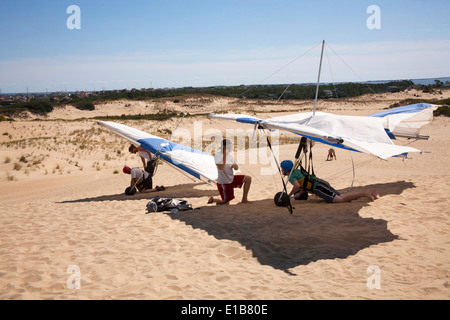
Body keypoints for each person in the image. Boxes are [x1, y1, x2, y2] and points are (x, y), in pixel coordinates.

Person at [280, 160, 379, 203]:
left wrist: (288, 195)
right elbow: (304, 184)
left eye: (282, 169)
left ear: (285, 169)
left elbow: (296, 186)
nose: (281, 170)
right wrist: (300, 193)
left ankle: (365, 193)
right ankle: (370, 192)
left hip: (318, 188)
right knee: (342, 197)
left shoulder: (291, 176)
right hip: (321, 182)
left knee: (341, 199)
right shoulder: (297, 171)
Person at [208, 139, 252, 205]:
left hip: (231, 178)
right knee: (226, 203)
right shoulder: (218, 155)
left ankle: (244, 199)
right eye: (229, 147)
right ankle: (215, 200)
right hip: (224, 182)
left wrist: (235, 166)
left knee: (248, 178)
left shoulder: (230, 156)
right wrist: (224, 155)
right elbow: (221, 167)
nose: (230, 149)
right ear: (224, 147)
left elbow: (236, 168)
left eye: (230, 147)